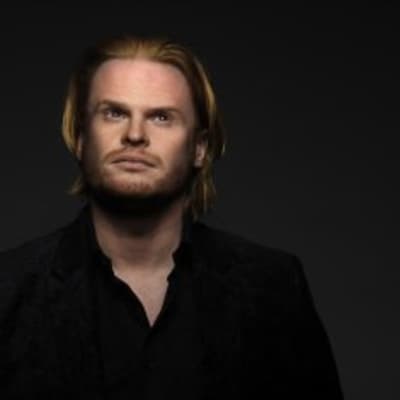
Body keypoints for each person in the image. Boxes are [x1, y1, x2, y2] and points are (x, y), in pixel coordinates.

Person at [0, 35, 343, 399]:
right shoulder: (7, 291)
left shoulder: (273, 290)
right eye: (114, 113)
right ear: (81, 138)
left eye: (161, 117)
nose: (135, 135)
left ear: (199, 148)